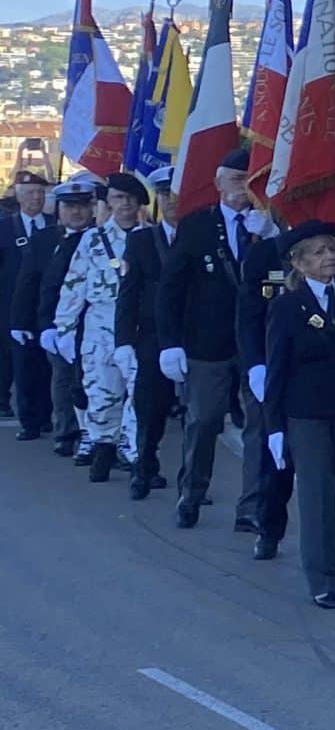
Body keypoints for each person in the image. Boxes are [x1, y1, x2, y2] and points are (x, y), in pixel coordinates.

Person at [264, 219, 335, 610]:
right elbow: (277, 368)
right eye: (318, 252)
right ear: (298, 263)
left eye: (332, 249)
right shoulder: (287, 306)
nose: (329, 257)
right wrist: (274, 425)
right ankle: (322, 579)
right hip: (307, 413)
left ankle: (331, 548)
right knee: (315, 495)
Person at [157, 149, 259, 528]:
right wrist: (170, 341)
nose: (242, 187)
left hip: (255, 347)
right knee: (204, 421)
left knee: (260, 426)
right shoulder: (197, 225)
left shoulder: (267, 225)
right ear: (217, 183)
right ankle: (193, 492)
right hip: (207, 343)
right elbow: (172, 288)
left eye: (249, 180)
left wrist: (270, 244)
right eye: (235, 179)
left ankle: (251, 506)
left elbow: (279, 284)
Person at [56, 171, 153, 483]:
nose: (124, 204)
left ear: (139, 202)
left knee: (142, 392)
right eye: (117, 198)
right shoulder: (93, 239)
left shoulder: (152, 238)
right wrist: (64, 328)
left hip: (140, 326)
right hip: (101, 323)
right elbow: (74, 285)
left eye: (129, 198)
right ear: (108, 203)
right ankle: (102, 447)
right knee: (101, 391)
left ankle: (134, 451)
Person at [111, 174, 178, 500]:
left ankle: (193, 479)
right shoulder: (141, 242)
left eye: (177, 194)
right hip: (152, 333)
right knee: (150, 403)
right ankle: (144, 463)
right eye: (165, 195)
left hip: (193, 333)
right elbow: (129, 293)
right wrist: (123, 340)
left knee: (198, 411)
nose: (171, 202)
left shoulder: (203, 238)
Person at [235, 216, 295, 556]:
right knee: (273, 448)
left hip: (321, 370)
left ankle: (329, 539)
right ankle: (262, 519)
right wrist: (255, 362)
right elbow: (250, 312)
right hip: (271, 364)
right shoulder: (264, 254)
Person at [29, 177, 99, 457]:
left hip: (95, 322)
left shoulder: (102, 237)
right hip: (61, 323)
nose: (76, 212)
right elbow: (38, 285)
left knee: (95, 380)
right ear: (59, 209)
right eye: (69, 206)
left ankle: (96, 435)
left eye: (82, 206)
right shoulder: (49, 240)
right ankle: (66, 432)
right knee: (63, 378)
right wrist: (40, 325)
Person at [5, 170, 55, 438]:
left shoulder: (55, 225)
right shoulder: (5, 226)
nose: (36, 198)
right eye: (30, 193)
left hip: (49, 307)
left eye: (40, 192)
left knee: (46, 364)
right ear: (18, 196)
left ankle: (46, 415)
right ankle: (28, 421)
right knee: (22, 365)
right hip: (13, 306)